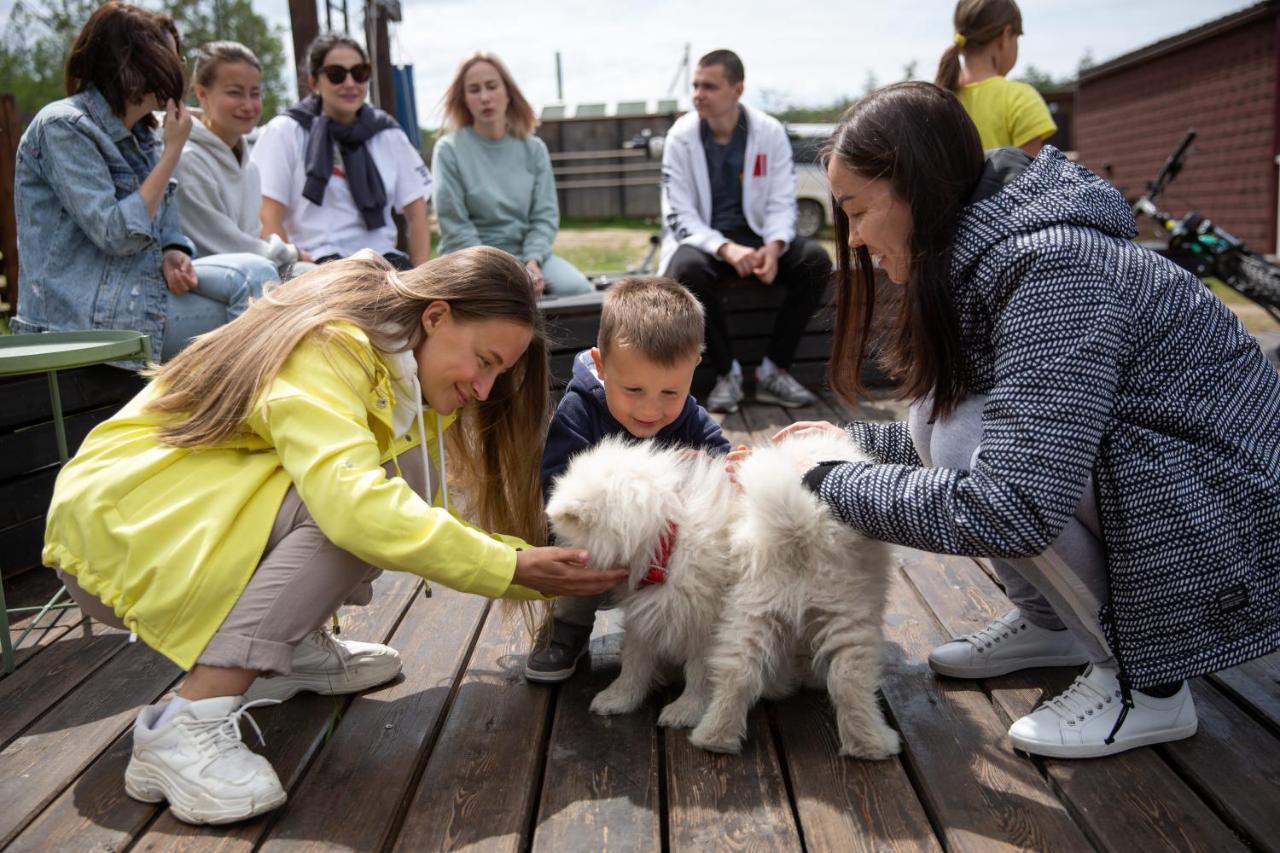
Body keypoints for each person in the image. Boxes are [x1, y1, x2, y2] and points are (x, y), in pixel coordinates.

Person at [738, 81, 1280, 759]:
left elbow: (1014, 504)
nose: (853, 237)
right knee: (945, 413)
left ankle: (1149, 685)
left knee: (971, 439)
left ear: (918, 191)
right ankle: (1054, 624)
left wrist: (829, 482)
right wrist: (844, 444)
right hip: (1170, 482)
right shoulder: (993, 253)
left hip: (1230, 523)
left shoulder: (1051, 267)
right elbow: (983, 425)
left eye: (856, 209)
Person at [41, 246, 629, 823]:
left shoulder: (393, 360)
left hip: (170, 518)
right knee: (345, 515)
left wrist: (518, 559)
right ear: (436, 315)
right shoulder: (333, 344)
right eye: (485, 360)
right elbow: (354, 508)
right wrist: (510, 568)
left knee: (399, 478)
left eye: (498, 372)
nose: (484, 387)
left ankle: (287, 649)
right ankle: (184, 726)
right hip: (122, 534)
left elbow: (413, 506)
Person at [12, 2, 279, 362]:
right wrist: (172, 153)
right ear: (126, 64)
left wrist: (174, 252)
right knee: (261, 313)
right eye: (165, 58)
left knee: (260, 274)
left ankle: (228, 406)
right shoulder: (64, 127)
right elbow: (115, 233)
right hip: (81, 319)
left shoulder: (144, 134)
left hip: (136, 290)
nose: (174, 70)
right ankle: (230, 409)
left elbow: (168, 226)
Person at [523, 277, 731, 682]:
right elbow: (558, 489)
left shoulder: (688, 414)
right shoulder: (579, 411)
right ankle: (568, 628)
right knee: (575, 559)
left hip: (665, 550)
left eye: (670, 393)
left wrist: (724, 466)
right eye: (633, 389)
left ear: (694, 368)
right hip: (598, 544)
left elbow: (720, 457)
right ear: (601, 366)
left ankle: (679, 636)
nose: (651, 409)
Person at [660, 49, 831, 414]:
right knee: (686, 271)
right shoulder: (680, 137)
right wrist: (726, 249)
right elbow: (678, 213)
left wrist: (774, 246)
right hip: (705, 241)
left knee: (814, 260)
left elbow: (783, 201)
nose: (697, 95)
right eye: (695, 85)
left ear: (737, 90)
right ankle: (728, 374)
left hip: (757, 238)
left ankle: (773, 370)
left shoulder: (768, 132)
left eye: (709, 86)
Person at [250, 33, 431, 271]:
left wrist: (420, 276)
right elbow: (268, 216)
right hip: (316, 265)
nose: (350, 83)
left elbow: (417, 213)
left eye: (359, 73)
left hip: (383, 262)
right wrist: (289, 275)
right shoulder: (286, 131)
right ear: (314, 82)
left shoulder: (387, 133)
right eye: (336, 74)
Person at [433, 52, 592, 298]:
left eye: (492, 86)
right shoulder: (449, 150)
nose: (484, 97)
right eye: (474, 90)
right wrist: (503, 270)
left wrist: (532, 260)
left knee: (579, 290)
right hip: (471, 260)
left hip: (529, 257)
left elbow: (545, 216)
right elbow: (455, 225)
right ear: (464, 99)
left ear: (508, 92)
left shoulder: (534, 148)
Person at [175, 41, 308, 274]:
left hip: (252, 272)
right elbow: (223, 246)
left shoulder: (250, 168)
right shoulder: (187, 160)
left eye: (255, 93)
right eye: (235, 93)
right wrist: (291, 253)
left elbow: (251, 239)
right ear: (201, 93)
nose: (248, 105)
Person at [936, 0, 1057, 156]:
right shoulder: (1021, 99)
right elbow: (1032, 178)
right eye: (1017, 38)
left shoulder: (938, 98)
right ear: (1005, 36)